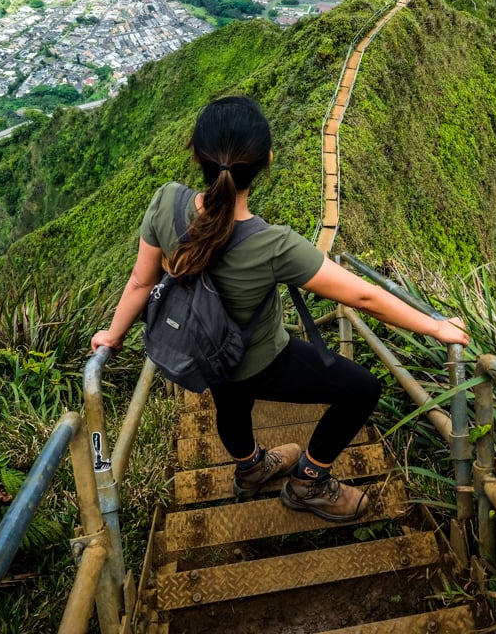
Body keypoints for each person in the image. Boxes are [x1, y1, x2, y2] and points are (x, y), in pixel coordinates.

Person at [91, 95, 468, 523]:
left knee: (231, 406)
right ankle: (309, 481)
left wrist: (113, 336)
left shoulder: (166, 202)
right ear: (268, 160)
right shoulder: (274, 245)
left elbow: (141, 281)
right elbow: (363, 296)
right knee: (362, 389)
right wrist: (435, 327)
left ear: (195, 152)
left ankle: (251, 469)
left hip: (203, 353)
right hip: (260, 360)